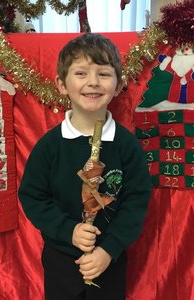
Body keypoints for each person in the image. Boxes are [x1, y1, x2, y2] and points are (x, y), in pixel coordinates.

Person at [18, 33, 152, 300]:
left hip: (108, 261)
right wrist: (69, 231)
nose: (93, 82)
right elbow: (32, 197)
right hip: (61, 260)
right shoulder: (50, 146)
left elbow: (136, 202)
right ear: (61, 84)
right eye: (81, 73)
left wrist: (108, 250)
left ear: (118, 85)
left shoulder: (126, 145)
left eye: (103, 74)